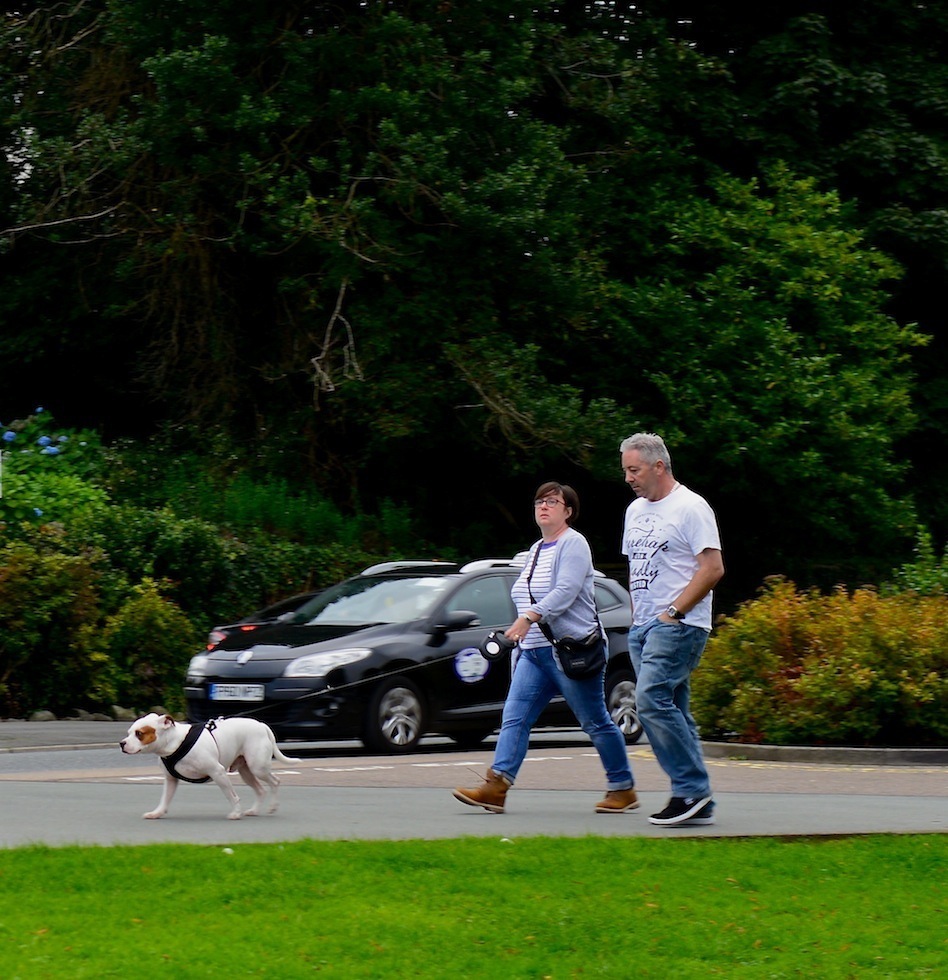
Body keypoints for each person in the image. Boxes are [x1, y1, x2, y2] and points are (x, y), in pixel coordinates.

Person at [453, 481, 637, 814]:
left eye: (553, 501)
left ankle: (622, 788)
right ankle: (496, 787)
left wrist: (529, 618)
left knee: (595, 721)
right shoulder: (537, 549)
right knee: (514, 717)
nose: (544, 506)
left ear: (568, 511)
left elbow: (565, 591)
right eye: (539, 501)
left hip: (572, 651)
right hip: (534, 653)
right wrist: (519, 641)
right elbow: (524, 598)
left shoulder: (574, 543)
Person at [619, 432, 725, 826]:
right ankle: (696, 799)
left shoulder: (691, 507)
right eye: (626, 471)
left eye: (635, 470)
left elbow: (712, 568)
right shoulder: (635, 511)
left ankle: (693, 790)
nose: (629, 478)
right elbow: (638, 570)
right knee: (673, 707)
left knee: (650, 701)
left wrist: (673, 613)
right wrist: (638, 618)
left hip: (678, 623)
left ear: (658, 466)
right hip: (643, 626)